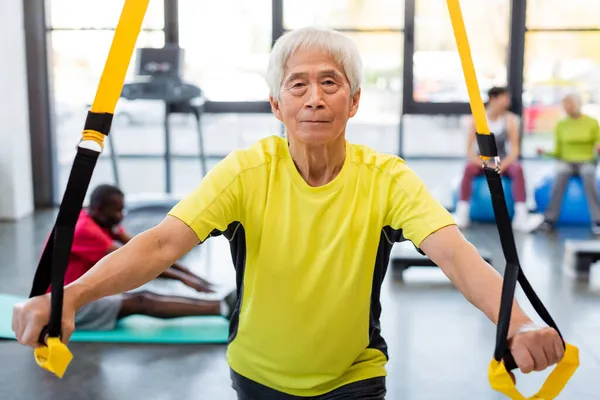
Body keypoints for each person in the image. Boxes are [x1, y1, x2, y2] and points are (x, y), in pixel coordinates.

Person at [14, 28, 564, 398]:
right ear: (277, 105)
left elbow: (459, 258)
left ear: (353, 101)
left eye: (330, 83)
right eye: (297, 85)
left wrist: (517, 326)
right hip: (256, 378)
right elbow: (159, 245)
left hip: (354, 379)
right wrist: (70, 298)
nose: (314, 98)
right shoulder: (245, 172)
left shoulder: (388, 178)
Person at [45, 184, 236, 331]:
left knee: (146, 295)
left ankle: (222, 303)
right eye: (117, 211)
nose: (121, 216)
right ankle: (223, 308)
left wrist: (191, 276)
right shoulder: (84, 230)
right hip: (65, 303)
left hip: (81, 291)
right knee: (142, 301)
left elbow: (145, 248)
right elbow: (136, 260)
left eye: (122, 209)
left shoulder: (99, 219)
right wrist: (184, 279)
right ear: (99, 209)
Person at [454, 86, 543, 232]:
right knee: (468, 168)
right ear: (493, 99)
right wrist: (484, 164)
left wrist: (503, 165)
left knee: (518, 169)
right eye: (504, 98)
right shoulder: (477, 119)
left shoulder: (510, 119)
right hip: (482, 161)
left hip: (501, 162)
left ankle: (521, 217)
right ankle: (462, 214)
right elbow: (469, 151)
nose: (507, 101)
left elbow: (515, 149)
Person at [535, 93, 600, 234]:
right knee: (561, 175)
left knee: (588, 174)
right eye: (564, 105)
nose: (565, 108)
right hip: (566, 161)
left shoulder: (592, 122)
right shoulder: (561, 124)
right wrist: (545, 152)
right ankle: (549, 220)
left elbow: (598, 142)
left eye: (568, 104)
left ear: (576, 105)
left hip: (587, 160)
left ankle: (597, 221)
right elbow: (558, 151)